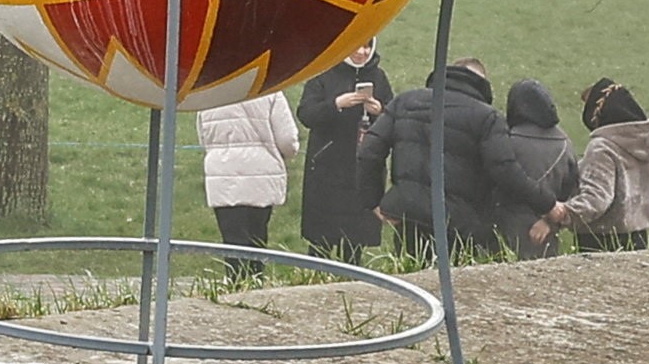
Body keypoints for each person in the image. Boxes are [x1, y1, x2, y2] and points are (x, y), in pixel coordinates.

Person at [359, 58, 507, 257]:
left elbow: (369, 151)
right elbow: (504, 171)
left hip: (409, 215)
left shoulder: (406, 101)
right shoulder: (487, 117)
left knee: (412, 281)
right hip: (462, 223)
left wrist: (374, 202)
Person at [292, 41, 390, 258]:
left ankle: (353, 281)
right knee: (321, 238)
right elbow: (306, 114)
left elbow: (392, 120)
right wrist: (336, 104)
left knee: (355, 240)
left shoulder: (379, 77)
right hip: (327, 168)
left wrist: (379, 111)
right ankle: (317, 283)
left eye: (367, 47)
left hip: (363, 168)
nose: (361, 52)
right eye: (357, 46)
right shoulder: (323, 74)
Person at [549, 79, 649, 254]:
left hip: (601, 239)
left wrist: (565, 212)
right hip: (639, 236)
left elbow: (596, 198)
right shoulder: (645, 143)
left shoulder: (602, 148)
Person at [196, 87, 299, 255]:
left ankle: (235, 278)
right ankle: (255, 278)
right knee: (257, 236)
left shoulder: (209, 92)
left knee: (232, 239)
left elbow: (203, 136)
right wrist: (289, 153)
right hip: (261, 173)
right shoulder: (270, 91)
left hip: (222, 174)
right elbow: (287, 139)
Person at [488, 79, 573, 258]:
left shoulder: (506, 141)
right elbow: (571, 190)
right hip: (546, 232)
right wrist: (550, 222)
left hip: (506, 230)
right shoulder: (565, 143)